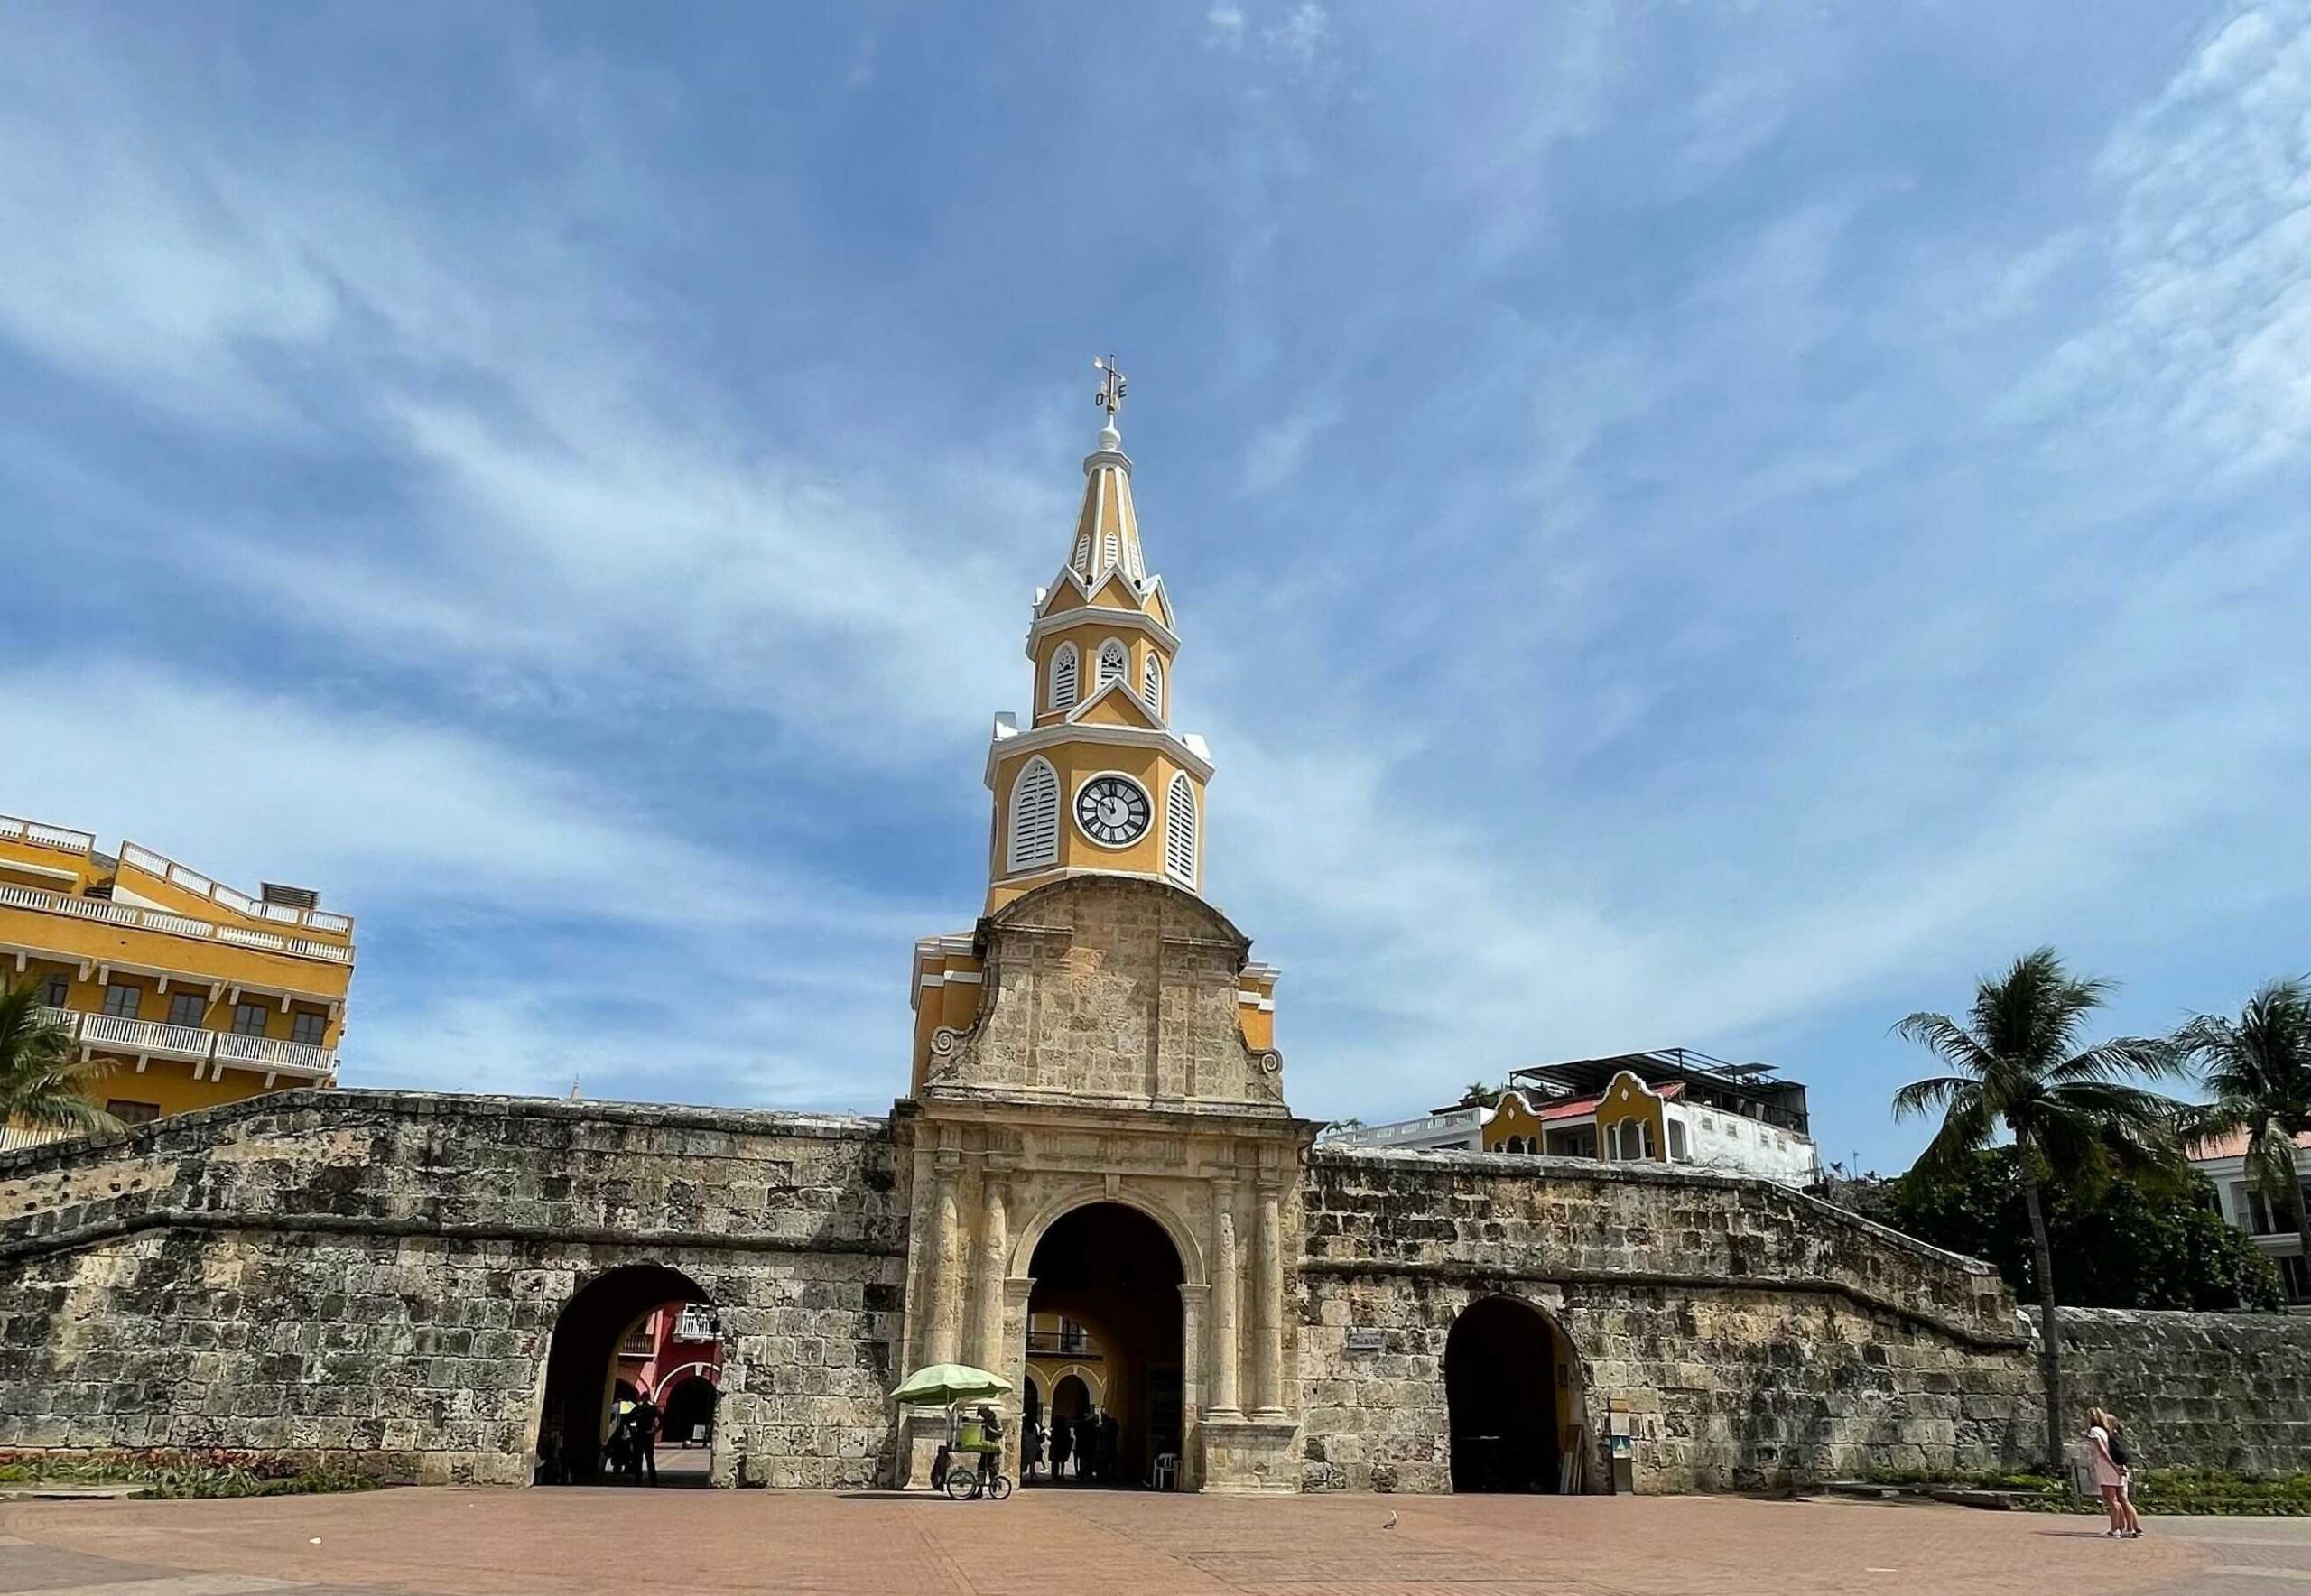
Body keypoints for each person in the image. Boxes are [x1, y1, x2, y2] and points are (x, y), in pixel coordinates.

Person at [2084, 1406, 2138, 1538]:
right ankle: (2128, 1528)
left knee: (2111, 1500)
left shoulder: (2095, 1431)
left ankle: (2115, 1529)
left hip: (2106, 1467)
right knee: (2121, 1499)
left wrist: (2113, 1466)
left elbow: (2103, 1451)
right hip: (2116, 1466)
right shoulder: (2105, 1431)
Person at [974, 1404, 1005, 1488]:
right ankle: (980, 1489)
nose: (982, 1415)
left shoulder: (995, 1421)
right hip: (985, 1448)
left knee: (993, 1468)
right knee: (981, 1467)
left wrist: (989, 1428)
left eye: (982, 1413)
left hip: (994, 1448)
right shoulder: (984, 1422)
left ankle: (995, 1486)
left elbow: (1000, 1434)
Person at [1099, 1408, 1120, 1484]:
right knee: (1112, 1462)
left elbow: (1103, 1433)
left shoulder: (1106, 1426)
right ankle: (1110, 1476)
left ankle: (1106, 1476)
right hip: (1111, 1446)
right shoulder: (1113, 1426)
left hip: (1106, 1447)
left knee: (1106, 1463)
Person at [1050, 1412, 1074, 1480]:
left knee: (1055, 1461)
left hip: (1056, 1446)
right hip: (1063, 1446)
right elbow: (1068, 1437)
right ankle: (1062, 1474)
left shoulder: (1055, 1429)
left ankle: (1054, 1474)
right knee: (1062, 1461)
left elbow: (1052, 1437)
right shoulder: (1066, 1429)